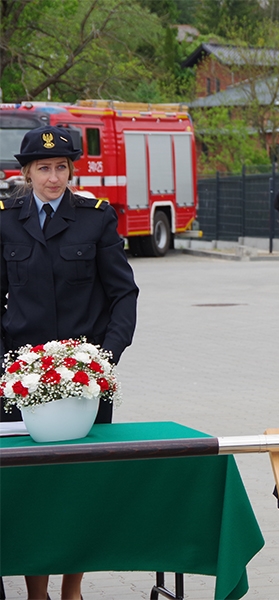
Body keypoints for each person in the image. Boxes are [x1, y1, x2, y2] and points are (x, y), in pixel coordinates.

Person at [0, 125, 139, 600]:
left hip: (83, 378)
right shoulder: (5, 219)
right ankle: (36, 589)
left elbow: (123, 294)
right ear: (26, 173)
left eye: (62, 168)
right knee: (32, 486)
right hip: (23, 380)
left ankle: (71, 588)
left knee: (81, 485)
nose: (54, 178)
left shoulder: (95, 219)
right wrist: (7, 366)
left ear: (72, 171)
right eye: (44, 168)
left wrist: (104, 358)